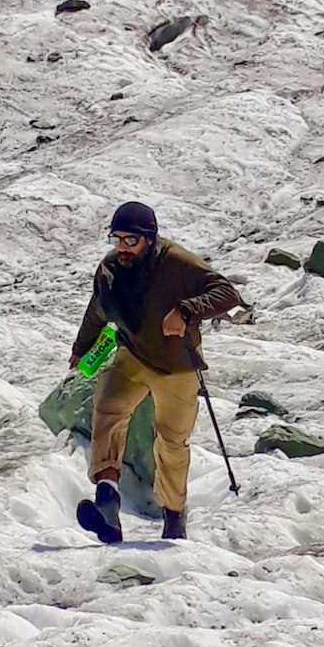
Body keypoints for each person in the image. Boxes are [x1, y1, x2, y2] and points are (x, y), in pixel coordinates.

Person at [70, 201, 242, 544]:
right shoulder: (110, 269)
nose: (122, 247)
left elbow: (228, 293)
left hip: (176, 367)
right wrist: (81, 349)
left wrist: (186, 310)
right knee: (107, 410)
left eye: (130, 240)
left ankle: (174, 517)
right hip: (132, 356)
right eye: (116, 238)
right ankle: (107, 499)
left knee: (171, 442)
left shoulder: (178, 263)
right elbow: (97, 311)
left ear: (149, 239)